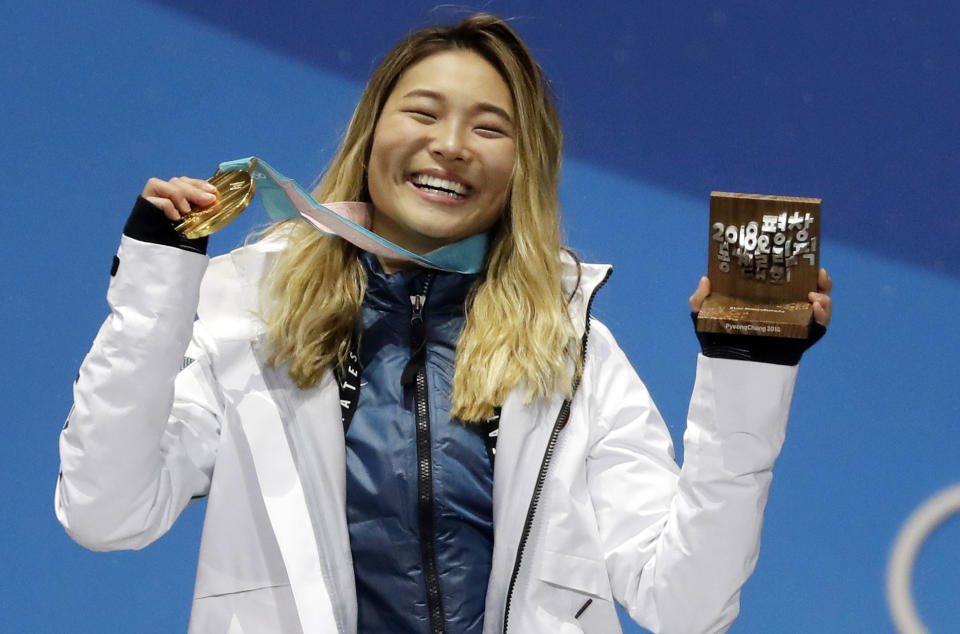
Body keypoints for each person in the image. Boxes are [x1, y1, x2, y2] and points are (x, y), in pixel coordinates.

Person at [55, 13, 832, 634]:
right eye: (423, 112)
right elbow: (106, 512)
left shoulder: (570, 349)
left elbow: (685, 605)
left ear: (522, 166)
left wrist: (746, 369)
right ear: (371, 136)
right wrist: (156, 284)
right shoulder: (256, 324)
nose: (451, 145)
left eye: (490, 129)